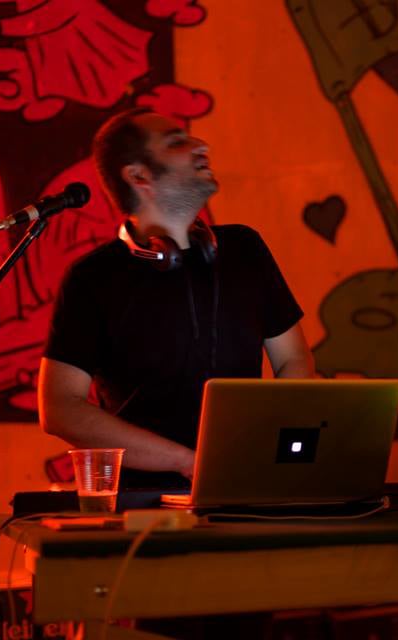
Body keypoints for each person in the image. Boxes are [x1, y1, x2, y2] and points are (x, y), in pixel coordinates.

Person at [38, 107, 315, 487]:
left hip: (243, 486)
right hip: (141, 503)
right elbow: (59, 408)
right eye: (176, 142)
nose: (201, 145)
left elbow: (294, 359)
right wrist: (188, 462)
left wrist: (265, 440)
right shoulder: (94, 277)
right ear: (139, 176)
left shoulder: (244, 249)